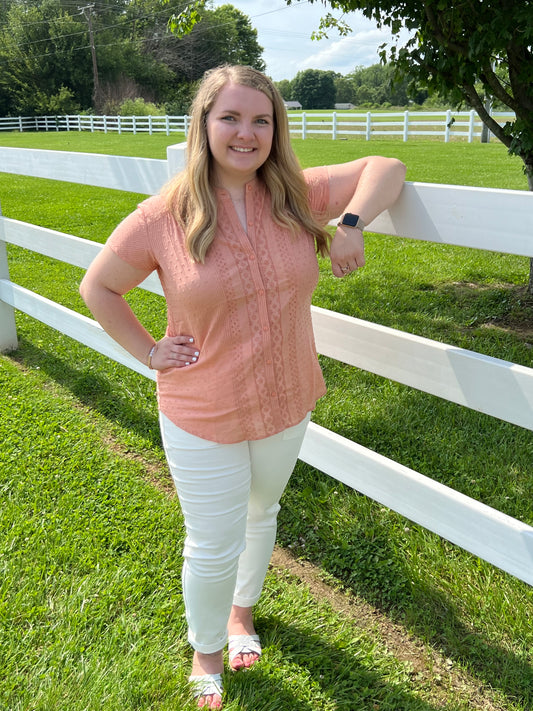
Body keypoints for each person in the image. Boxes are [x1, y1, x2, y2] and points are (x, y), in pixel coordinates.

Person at [79, 64, 406, 709]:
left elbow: (386, 166)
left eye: (262, 120)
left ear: (276, 129)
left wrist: (349, 224)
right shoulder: (163, 216)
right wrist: (150, 350)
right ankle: (206, 650)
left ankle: (241, 615)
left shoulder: (294, 195)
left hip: (287, 401)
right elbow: (98, 287)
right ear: (204, 124)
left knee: (263, 514)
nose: (247, 133)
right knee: (211, 538)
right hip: (202, 408)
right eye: (230, 117)